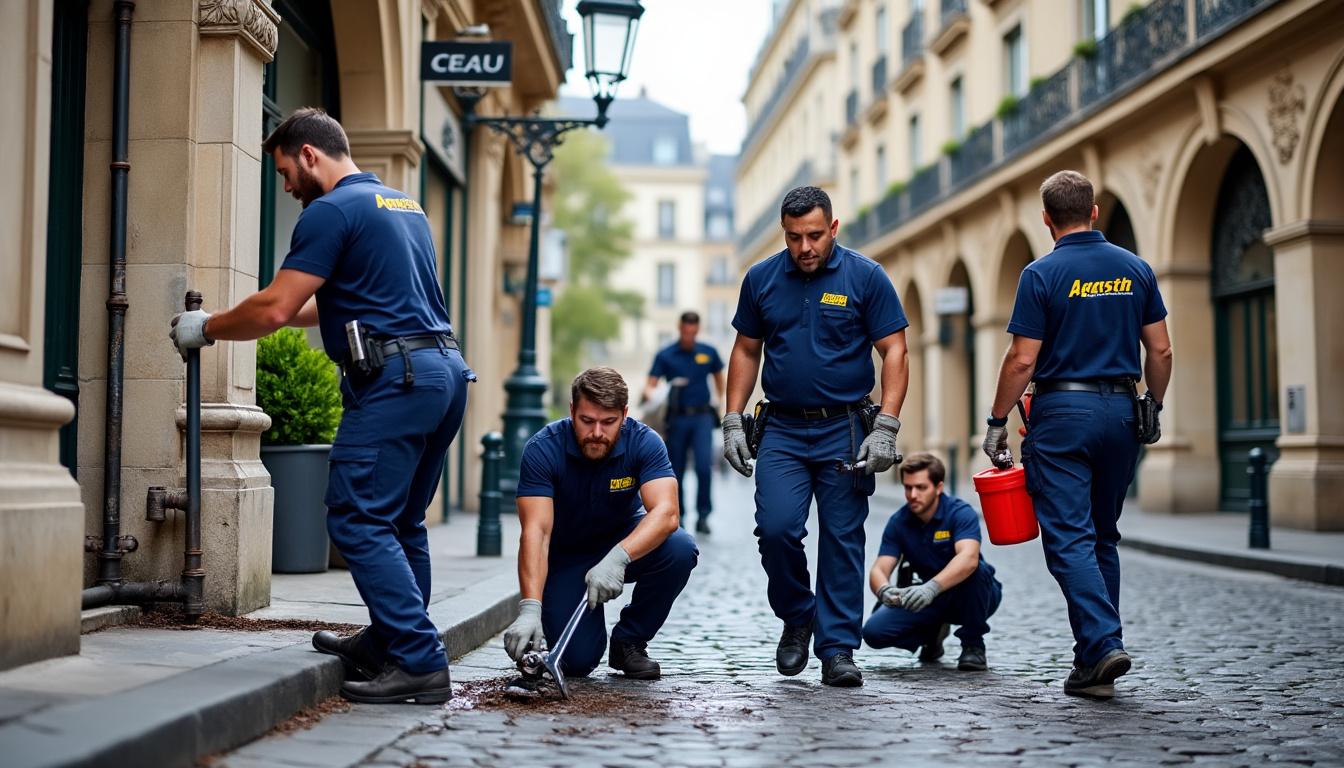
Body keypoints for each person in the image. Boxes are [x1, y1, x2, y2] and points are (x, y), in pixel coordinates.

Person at [170, 108, 474, 705]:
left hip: (397, 381)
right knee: (401, 521)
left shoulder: (330, 211)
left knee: (358, 517)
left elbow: (277, 307)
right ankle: (391, 641)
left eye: (285, 172)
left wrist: (207, 327)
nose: (285, 186)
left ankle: (418, 659)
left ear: (310, 155)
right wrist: (253, 321)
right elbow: (324, 305)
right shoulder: (403, 206)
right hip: (442, 374)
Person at [983, 170, 1172, 699]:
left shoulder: (1040, 274)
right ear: (1093, 210)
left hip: (1062, 412)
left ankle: (1103, 641)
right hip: (1119, 412)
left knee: (1069, 537)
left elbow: (1023, 359)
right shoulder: (1135, 268)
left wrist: (998, 421)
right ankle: (1092, 661)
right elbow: (1160, 350)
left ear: (1046, 219)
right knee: (1102, 534)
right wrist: (1152, 405)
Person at [723, 185, 910, 688]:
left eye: (813, 236)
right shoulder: (762, 278)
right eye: (793, 238)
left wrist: (887, 426)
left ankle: (837, 648)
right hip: (782, 427)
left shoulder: (865, 276)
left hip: (846, 427)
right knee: (777, 529)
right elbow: (745, 350)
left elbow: (894, 350)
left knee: (843, 539)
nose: (804, 248)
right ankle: (798, 614)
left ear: (833, 228)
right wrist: (733, 418)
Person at [502, 367, 698, 682]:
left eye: (608, 422)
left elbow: (666, 512)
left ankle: (629, 641)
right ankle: (566, 624)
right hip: (565, 557)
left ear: (624, 414)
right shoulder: (543, 449)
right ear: (571, 411)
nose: (596, 432)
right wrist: (530, 608)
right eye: (587, 421)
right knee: (578, 662)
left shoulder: (644, 442)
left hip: (620, 542)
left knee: (679, 547)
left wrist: (619, 557)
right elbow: (536, 533)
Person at [861, 453, 1002, 671]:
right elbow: (880, 568)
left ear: (938, 487)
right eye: (908, 487)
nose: (912, 495)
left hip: (972, 594)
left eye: (920, 487)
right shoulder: (899, 522)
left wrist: (932, 588)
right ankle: (933, 635)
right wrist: (884, 590)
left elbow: (969, 558)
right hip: (927, 599)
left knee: (977, 570)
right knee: (873, 632)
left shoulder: (960, 513)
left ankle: (973, 645)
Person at [643, 311, 726, 535]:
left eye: (693, 332)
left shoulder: (707, 353)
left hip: (702, 418)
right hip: (676, 419)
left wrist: (718, 400)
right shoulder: (666, 355)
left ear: (697, 330)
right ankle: (678, 516)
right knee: (675, 470)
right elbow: (649, 385)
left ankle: (703, 516)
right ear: (680, 329)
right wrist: (656, 394)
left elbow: (720, 377)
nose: (689, 336)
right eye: (686, 331)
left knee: (703, 467)